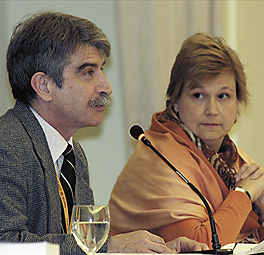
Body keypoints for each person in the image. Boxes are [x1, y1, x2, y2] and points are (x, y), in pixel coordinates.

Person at [0, 11, 208, 254]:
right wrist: (107, 247)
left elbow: (75, 245)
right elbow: (5, 245)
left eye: (101, 69)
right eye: (88, 72)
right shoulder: (7, 146)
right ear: (44, 86)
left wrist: (157, 248)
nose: (106, 87)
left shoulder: (72, 152)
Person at [108, 32, 264, 248]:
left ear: (238, 103)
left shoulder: (232, 158)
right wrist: (244, 194)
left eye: (223, 96)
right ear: (175, 101)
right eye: (199, 95)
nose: (212, 110)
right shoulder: (158, 159)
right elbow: (200, 246)